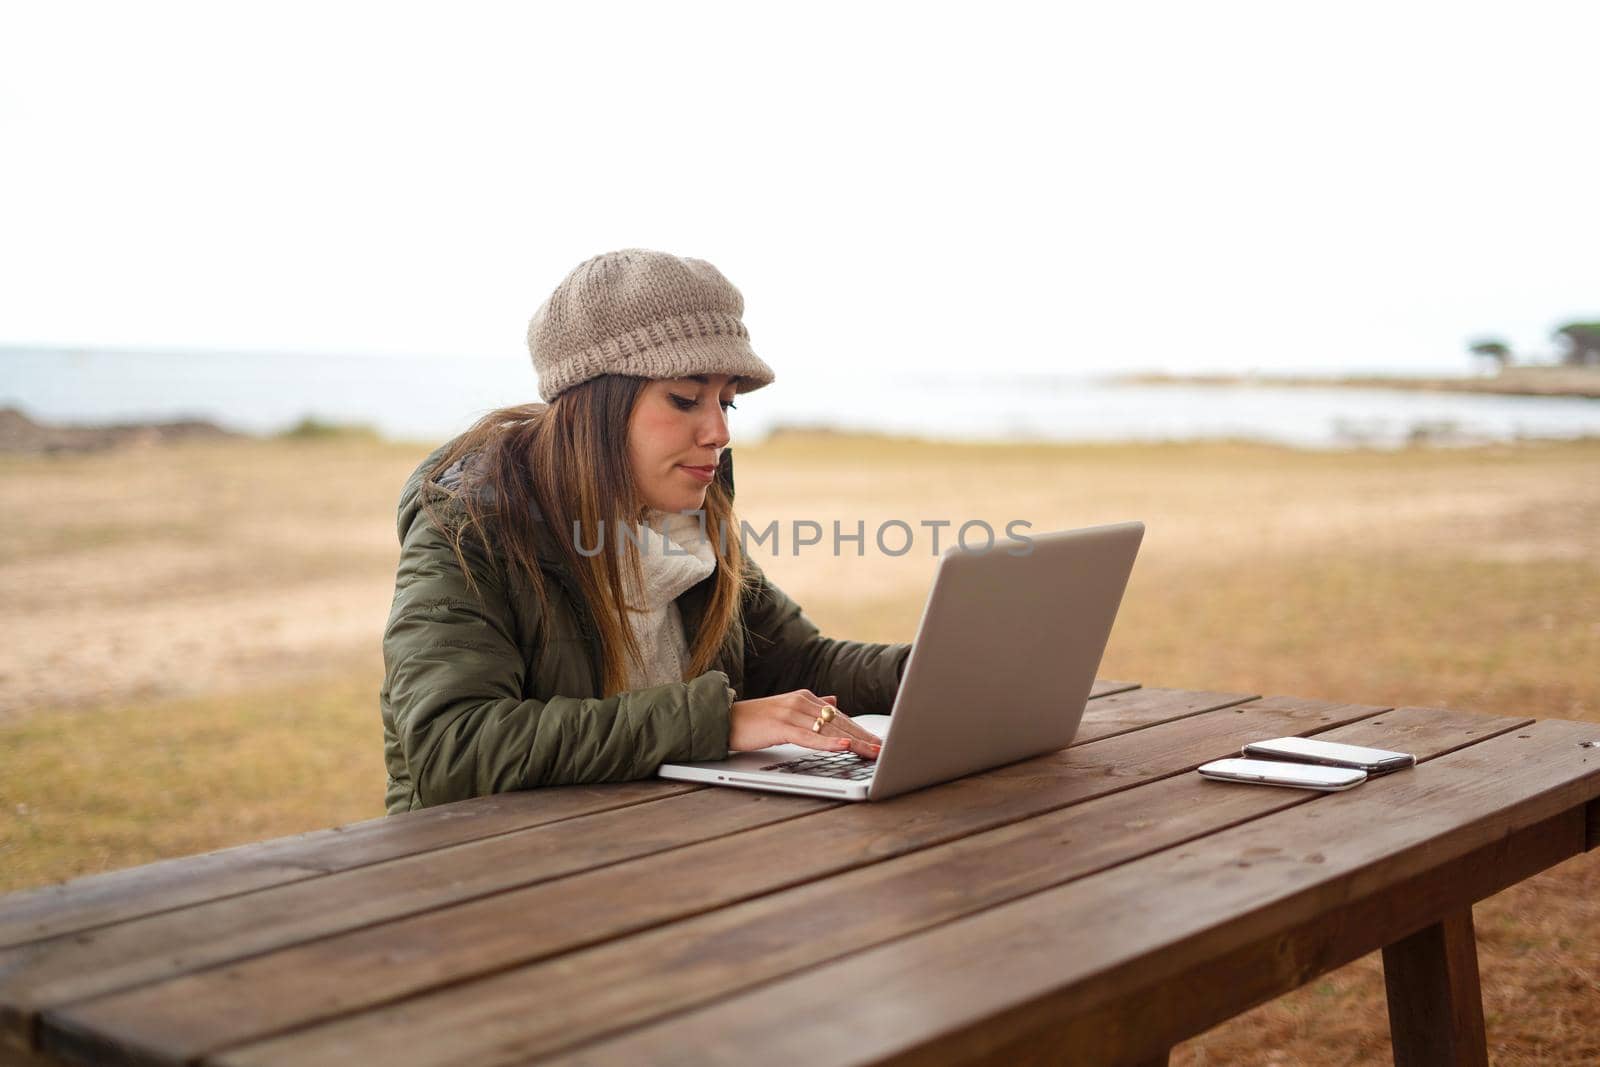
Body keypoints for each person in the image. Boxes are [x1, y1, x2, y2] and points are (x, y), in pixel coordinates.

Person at [380, 248, 911, 814]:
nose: (717, 432)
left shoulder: (687, 518)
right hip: (485, 866)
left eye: (726, 404)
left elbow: (796, 662)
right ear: (596, 403)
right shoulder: (469, 523)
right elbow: (450, 748)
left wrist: (929, 669)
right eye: (685, 399)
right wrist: (720, 722)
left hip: (658, 842)